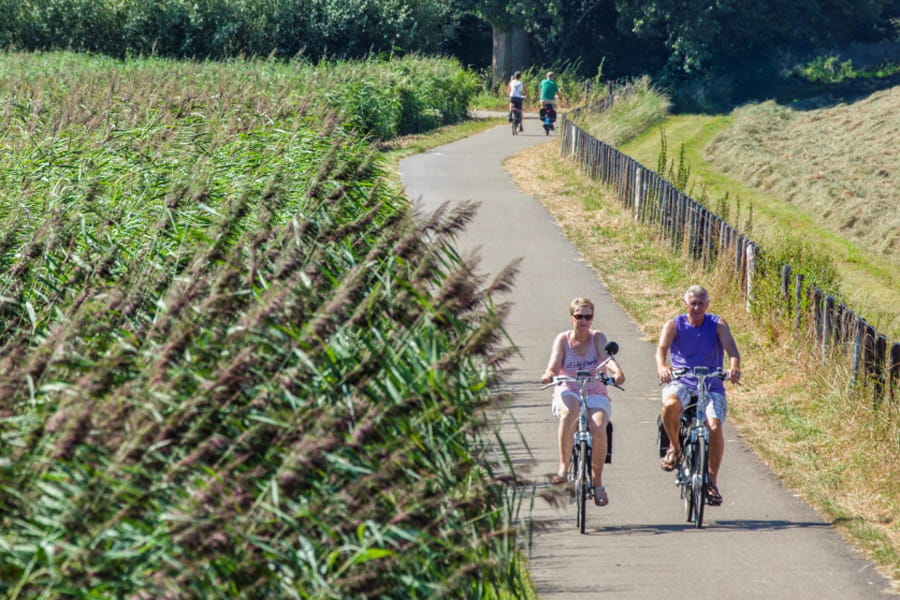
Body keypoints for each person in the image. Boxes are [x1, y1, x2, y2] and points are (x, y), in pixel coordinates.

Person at [655, 285, 741, 506]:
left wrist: (733, 367)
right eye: (692, 303)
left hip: (711, 385)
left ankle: (712, 481)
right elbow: (662, 349)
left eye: (700, 304)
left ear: (707, 305)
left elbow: (732, 349)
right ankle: (675, 447)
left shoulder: (718, 324)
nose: (696, 307)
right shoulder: (674, 325)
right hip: (682, 381)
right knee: (670, 405)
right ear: (685, 304)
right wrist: (663, 366)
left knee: (714, 427)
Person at [541, 297, 625, 506]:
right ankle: (564, 466)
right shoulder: (563, 339)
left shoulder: (598, 338)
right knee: (570, 413)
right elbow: (553, 365)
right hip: (568, 388)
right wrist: (549, 375)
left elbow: (608, 360)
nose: (584, 321)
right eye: (579, 316)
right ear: (572, 318)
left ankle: (597, 483)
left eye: (588, 316)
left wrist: (617, 372)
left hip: (595, 389)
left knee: (598, 427)